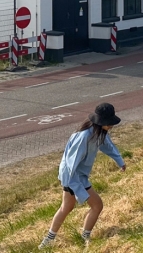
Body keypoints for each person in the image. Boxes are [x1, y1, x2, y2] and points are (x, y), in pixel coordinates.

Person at [40, 103, 126, 249]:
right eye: (110, 122)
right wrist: (75, 186)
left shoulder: (98, 133)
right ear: (102, 122)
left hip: (78, 177)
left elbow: (107, 145)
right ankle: (84, 236)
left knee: (66, 208)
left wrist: (119, 161)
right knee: (97, 205)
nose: (112, 124)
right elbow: (70, 163)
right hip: (73, 177)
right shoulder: (84, 136)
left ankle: (48, 240)